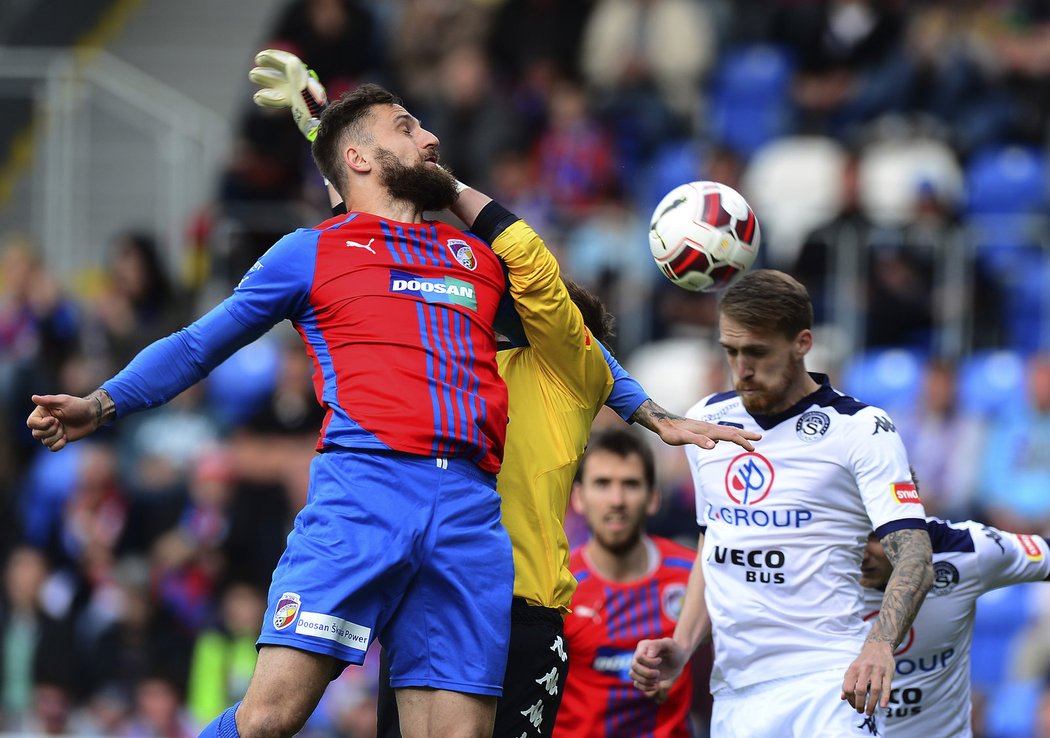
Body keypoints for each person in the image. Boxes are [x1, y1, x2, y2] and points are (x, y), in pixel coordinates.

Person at [246, 50, 760, 738]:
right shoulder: (463, 353)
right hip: (434, 596)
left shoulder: (567, 370)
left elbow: (557, 309)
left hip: (520, 609)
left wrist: (650, 412)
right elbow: (387, 235)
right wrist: (327, 134)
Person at [29, 81, 523, 738]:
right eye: (408, 127)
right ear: (360, 159)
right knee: (269, 717)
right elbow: (200, 343)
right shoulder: (312, 251)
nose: (431, 137)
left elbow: (569, 333)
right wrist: (103, 400)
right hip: (366, 493)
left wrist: (643, 409)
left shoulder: (478, 259)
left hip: (468, 508)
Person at [630, 269, 935, 737]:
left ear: (802, 342)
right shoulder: (705, 423)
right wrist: (683, 643)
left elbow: (915, 554)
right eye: (730, 351)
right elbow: (715, 548)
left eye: (757, 352)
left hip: (831, 682)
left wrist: (879, 645)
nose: (742, 369)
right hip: (737, 693)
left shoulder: (861, 428)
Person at [554, 428, 695, 738]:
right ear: (578, 497)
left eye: (630, 484)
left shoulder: (692, 575)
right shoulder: (555, 585)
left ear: (653, 498)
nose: (616, 500)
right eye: (602, 484)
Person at [860, 515, 1050, 737]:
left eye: (875, 537)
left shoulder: (967, 548)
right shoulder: (817, 560)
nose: (862, 554)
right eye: (852, 535)